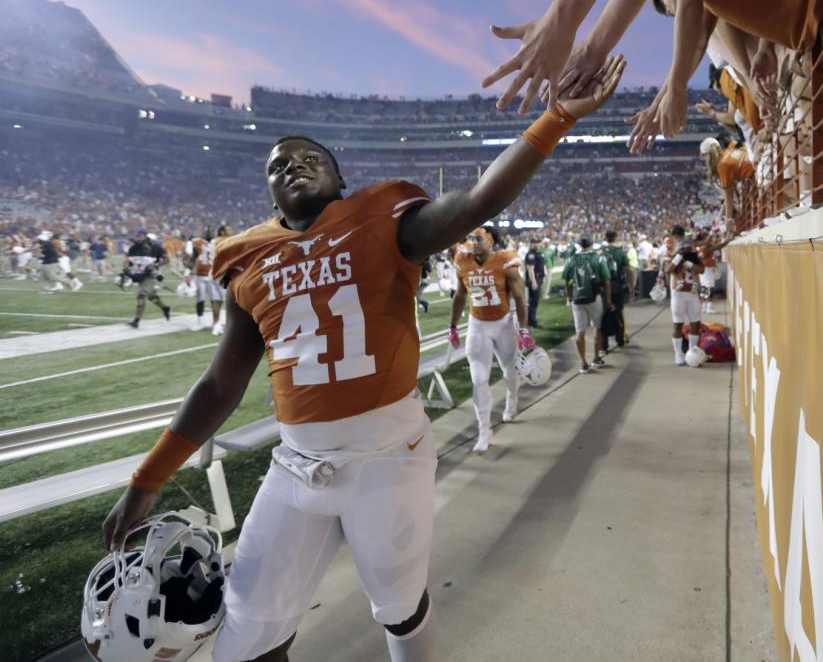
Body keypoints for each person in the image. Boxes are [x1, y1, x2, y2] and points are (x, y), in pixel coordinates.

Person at [100, 54, 626, 662]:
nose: (291, 165)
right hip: (297, 462)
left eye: (308, 158)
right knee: (245, 633)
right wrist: (147, 479)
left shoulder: (384, 219)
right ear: (267, 188)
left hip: (387, 457)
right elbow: (221, 383)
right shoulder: (247, 258)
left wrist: (557, 117)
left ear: (339, 177)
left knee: (399, 612)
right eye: (277, 165)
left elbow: (479, 200)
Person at [449, 225, 533, 454]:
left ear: (492, 241)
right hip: (477, 325)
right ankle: (484, 431)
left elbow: (519, 296)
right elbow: (459, 295)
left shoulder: (505, 260)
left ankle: (512, 399)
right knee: (478, 379)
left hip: (503, 323)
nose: (474, 242)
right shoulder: (463, 261)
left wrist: (524, 328)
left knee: (510, 372)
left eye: (479, 238)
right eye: (471, 238)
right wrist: (453, 326)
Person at [563, 235, 613, 373]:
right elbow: (607, 281)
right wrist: (608, 300)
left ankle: (583, 363)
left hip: (577, 299)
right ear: (591, 244)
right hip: (594, 297)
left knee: (580, 332)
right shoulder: (598, 258)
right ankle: (596, 357)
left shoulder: (572, 259)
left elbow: (566, 280)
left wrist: (569, 296)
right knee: (597, 327)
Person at [664, 225, 704, 366]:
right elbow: (668, 270)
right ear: (674, 238)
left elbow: (702, 269)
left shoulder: (692, 253)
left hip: (692, 293)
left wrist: (690, 264)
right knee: (678, 323)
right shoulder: (673, 252)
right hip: (678, 294)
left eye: (682, 239)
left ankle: (692, 351)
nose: (682, 242)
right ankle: (678, 353)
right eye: (679, 239)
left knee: (695, 322)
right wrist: (678, 258)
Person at [125, 230, 171, 328]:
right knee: (151, 296)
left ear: (146, 237)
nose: (138, 238)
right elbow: (130, 262)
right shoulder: (133, 248)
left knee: (141, 295)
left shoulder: (156, 248)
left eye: (141, 236)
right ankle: (165, 308)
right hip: (139, 275)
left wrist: (155, 265)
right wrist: (128, 272)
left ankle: (136, 321)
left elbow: (167, 260)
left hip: (150, 275)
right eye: (137, 236)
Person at [601, 229, 634, 349]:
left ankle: (603, 343)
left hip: (603, 287)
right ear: (616, 237)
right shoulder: (620, 252)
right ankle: (620, 339)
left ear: (605, 237)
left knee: (603, 314)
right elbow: (628, 270)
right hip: (616, 286)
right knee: (619, 312)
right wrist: (631, 286)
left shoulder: (601, 253)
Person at [190, 227, 226, 335]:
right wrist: (190, 268)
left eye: (211, 231)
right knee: (200, 299)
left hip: (212, 275)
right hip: (200, 275)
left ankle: (215, 323)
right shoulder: (198, 242)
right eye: (207, 231)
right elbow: (193, 257)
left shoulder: (218, 242)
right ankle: (200, 321)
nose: (209, 233)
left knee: (214, 300)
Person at [523, 242, 547, 328]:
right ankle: (531, 322)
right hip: (534, 279)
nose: (537, 244)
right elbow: (530, 269)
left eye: (538, 242)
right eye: (535, 243)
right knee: (533, 302)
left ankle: (531, 321)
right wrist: (533, 282)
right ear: (531, 244)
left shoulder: (537, 253)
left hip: (538, 278)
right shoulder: (531, 255)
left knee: (534, 302)